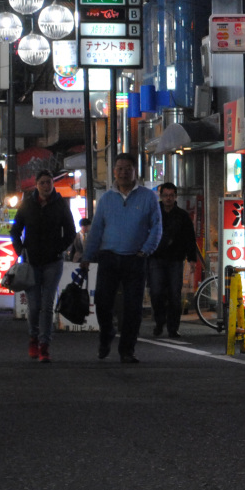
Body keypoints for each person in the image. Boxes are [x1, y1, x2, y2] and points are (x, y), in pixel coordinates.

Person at [80, 154, 162, 363]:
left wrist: (146, 250)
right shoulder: (107, 198)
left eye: (128, 168)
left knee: (132, 307)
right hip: (108, 256)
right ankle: (106, 333)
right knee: (102, 302)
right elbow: (97, 229)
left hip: (135, 257)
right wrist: (88, 255)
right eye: (120, 168)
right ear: (114, 171)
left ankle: (127, 349)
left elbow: (157, 227)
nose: (123, 172)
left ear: (135, 171)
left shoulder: (148, 197)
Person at [10, 170, 77, 362]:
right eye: (42, 183)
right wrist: (20, 250)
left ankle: (44, 345)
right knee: (34, 306)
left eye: (48, 183)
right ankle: (33, 338)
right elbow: (15, 230)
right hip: (31, 262)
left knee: (47, 305)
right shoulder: (28, 204)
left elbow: (71, 231)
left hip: (53, 262)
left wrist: (60, 249)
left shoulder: (60, 204)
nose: (46, 186)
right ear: (36, 185)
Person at [148, 183, 203, 338]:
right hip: (156, 257)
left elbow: (189, 238)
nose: (168, 198)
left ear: (176, 196)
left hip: (175, 259)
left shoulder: (182, 215)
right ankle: (159, 322)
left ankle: (173, 327)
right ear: (161, 196)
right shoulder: (153, 213)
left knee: (174, 294)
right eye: (165, 195)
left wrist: (192, 259)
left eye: (171, 195)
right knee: (156, 292)